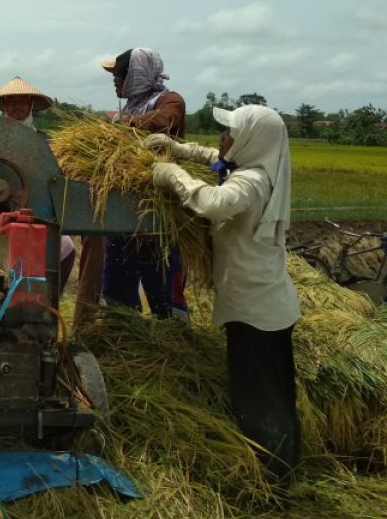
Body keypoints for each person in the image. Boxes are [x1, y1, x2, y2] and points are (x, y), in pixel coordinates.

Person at [144, 105, 300, 482]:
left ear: (251, 140)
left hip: (255, 312)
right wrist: (177, 148)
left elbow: (212, 205)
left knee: (260, 397)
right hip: (266, 305)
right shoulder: (250, 165)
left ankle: (273, 478)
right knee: (276, 392)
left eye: (231, 132)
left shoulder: (253, 181)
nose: (223, 138)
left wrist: (171, 174)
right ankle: (284, 467)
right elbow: (214, 157)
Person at [76, 48, 189, 326]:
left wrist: (119, 122)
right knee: (117, 290)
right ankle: (123, 336)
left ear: (137, 75)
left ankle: (175, 342)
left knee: (163, 289)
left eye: (119, 74)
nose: (115, 81)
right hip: (124, 215)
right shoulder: (129, 107)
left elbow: (164, 121)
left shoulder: (169, 100)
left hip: (159, 218)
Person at [0, 76, 76, 290]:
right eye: (12, 102)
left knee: (66, 247)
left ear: (31, 106)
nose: (17, 107)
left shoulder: (45, 142)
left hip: (37, 210)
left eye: (22, 102)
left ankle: (47, 302)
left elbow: (56, 177)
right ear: (4, 106)